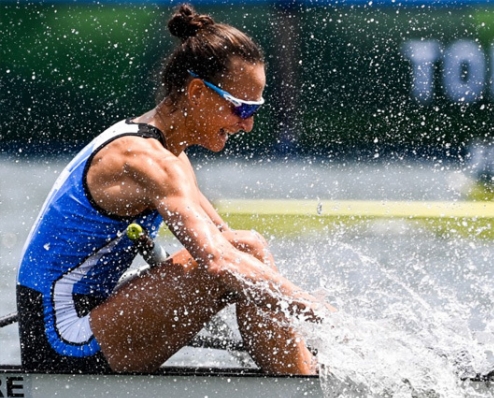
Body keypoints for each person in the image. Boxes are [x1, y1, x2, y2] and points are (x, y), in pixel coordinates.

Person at [16, 4, 325, 375]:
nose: (248, 125)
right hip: (62, 341)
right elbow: (218, 260)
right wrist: (320, 312)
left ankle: (300, 374)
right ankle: (301, 388)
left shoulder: (169, 152)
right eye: (240, 109)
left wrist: (288, 313)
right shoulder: (147, 159)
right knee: (244, 251)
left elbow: (225, 243)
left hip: (85, 317)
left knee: (248, 249)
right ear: (197, 91)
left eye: (255, 109)